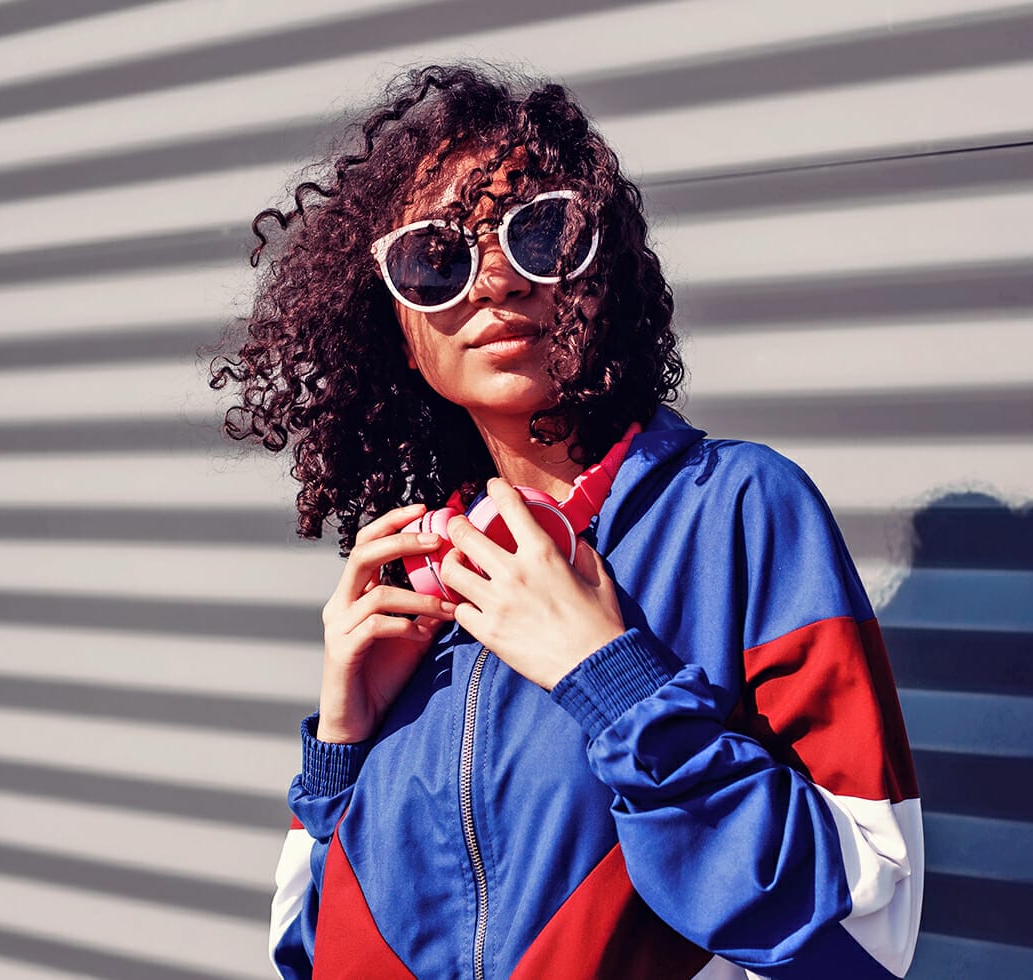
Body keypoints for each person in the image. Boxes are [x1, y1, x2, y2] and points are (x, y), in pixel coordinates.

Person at [209, 63, 923, 980]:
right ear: (390, 319)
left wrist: (612, 682)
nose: (498, 281)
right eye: (436, 257)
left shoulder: (739, 510)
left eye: (537, 232)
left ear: (600, 269)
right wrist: (341, 752)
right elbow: (306, 957)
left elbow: (868, 935)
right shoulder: (421, 574)